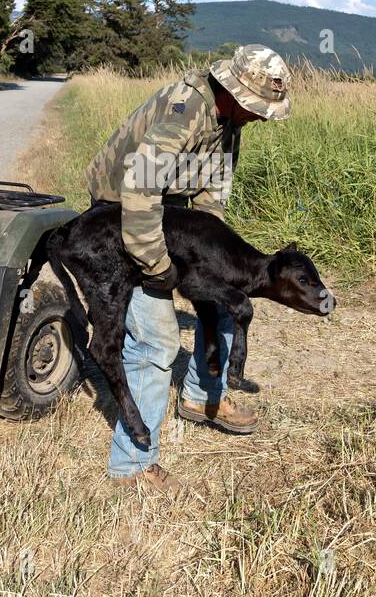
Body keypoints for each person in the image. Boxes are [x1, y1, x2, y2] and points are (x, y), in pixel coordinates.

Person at [83, 44, 292, 491]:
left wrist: (216, 264)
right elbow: (138, 192)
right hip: (122, 215)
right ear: (234, 92)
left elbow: (212, 200)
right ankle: (132, 465)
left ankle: (201, 397)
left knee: (228, 301)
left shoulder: (229, 122)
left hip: (171, 214)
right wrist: (156, 266)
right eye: (256, 108)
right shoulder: (185, 111)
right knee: (157, 342)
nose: (260, 117)